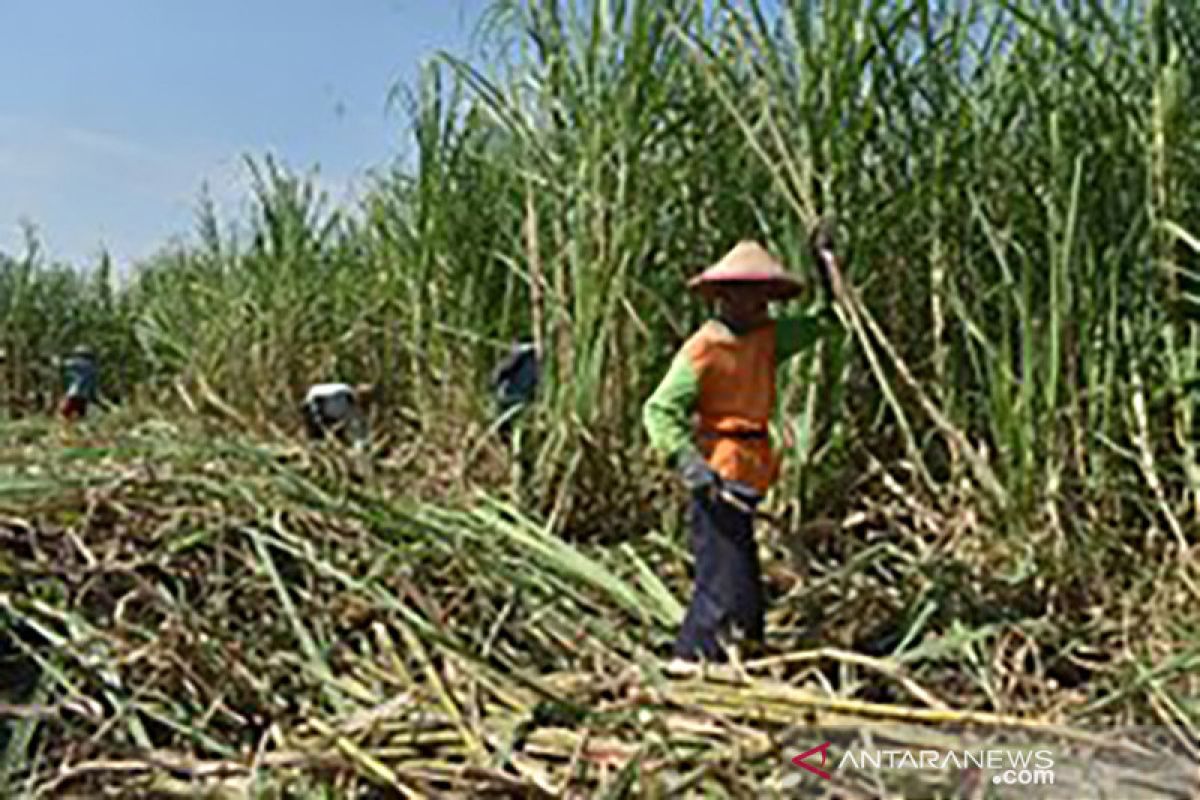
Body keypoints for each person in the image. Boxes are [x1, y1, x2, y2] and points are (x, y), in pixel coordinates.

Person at [642, 239, 837, 673]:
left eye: (762, 294)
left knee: (744, 572)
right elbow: (659, 410)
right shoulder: (704, 348)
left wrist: (826, 272)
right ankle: (691, 659)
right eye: (746, 292)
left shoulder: (767, 338)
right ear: (725, 296)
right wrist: (689, 463)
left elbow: (824, 323)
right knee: (722, 573)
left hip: (751, 465)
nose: (757, 302)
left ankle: (746, 651)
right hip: (718, 468)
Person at [301, 382, 372, 450]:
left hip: (329, 417)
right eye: (362, 397)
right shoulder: (344, 392)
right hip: (315, 407)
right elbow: (315, 395)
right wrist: (320, 423)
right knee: (317, 438)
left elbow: (354, 424)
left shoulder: (352, 406)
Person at [59, 346, 98, 421]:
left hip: (75, 394)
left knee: (64, 414)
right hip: (84, 397)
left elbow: (66, 364)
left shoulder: (82, 363)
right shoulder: (92, 368)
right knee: (80, 417)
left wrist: (56, 360)